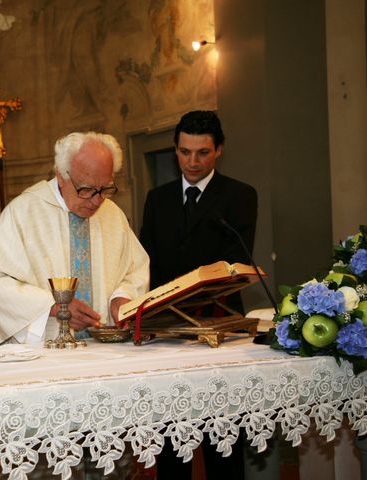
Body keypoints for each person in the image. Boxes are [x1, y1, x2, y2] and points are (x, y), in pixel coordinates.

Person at [139, 110, 258, 479]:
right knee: (174, 442)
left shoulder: (240, 195)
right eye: (184, 152)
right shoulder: (157, 199)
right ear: (175, 149)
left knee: (223, 442)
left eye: (202, 153)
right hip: (170, 329)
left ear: (219, 150)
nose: (192, 162)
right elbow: (148, 263)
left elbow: (235, 263)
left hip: (218, 324)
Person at [0, 131, 149, 349]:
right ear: (61, 175)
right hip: (42, 353)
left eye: (105, 189)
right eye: (86, 189)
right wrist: (54, 307)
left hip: (105, 350)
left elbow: (134, 269)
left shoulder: (113, 216)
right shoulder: (23, 214)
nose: (97, 200)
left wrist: (121, 297)